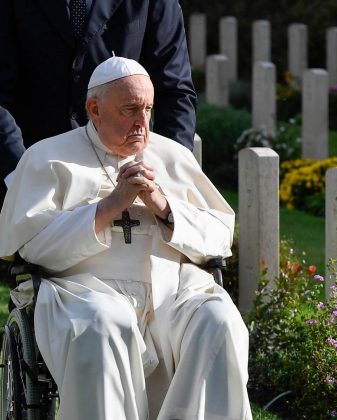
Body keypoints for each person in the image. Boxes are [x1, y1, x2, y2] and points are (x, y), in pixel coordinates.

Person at [0, 56, 252, 420]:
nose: (142, 121)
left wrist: (165, 207)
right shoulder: (48, 158)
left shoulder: (174, 156)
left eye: (148, 109)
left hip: (173, 292)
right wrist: (108, 208)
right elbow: (32, 245)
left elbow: (220, 236)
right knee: (104, 323)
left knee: (219, 319)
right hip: (83, 290)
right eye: (130, 108)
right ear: (94, 109)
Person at [0, 0, 196, 203]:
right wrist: (19, 175)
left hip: (126, 175)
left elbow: (174, 91)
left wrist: (166, 177)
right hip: (27, 170)